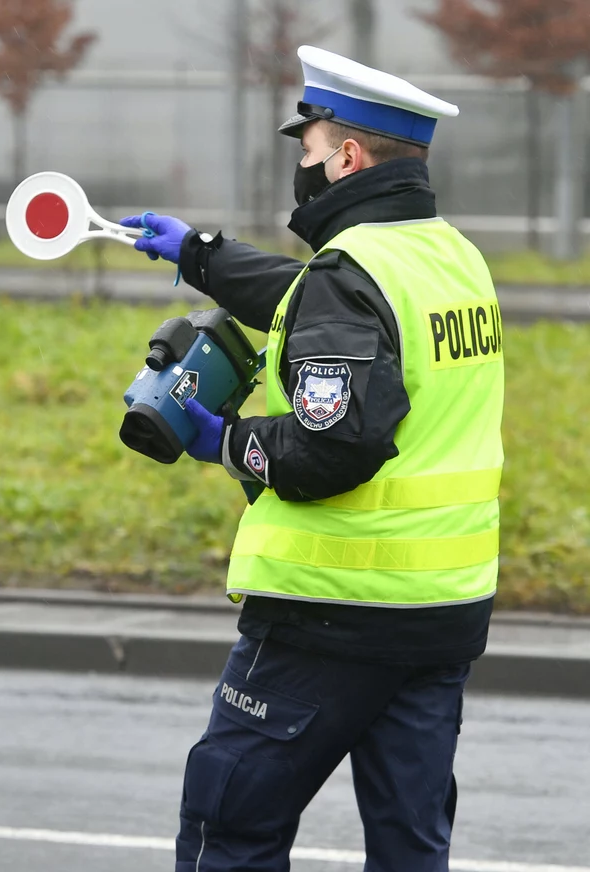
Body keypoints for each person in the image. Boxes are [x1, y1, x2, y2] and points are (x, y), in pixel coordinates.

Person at [120, 46, 504, 872]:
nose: (302, 162)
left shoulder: (354, 274)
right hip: (442, 608)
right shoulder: (450, 258)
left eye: (309, 146)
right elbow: (322, 301)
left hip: (335, 609)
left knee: (230, 829)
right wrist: (199, 253)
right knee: (411, 849)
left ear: (348, 157)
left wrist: (220, 440)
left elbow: (332, 445)